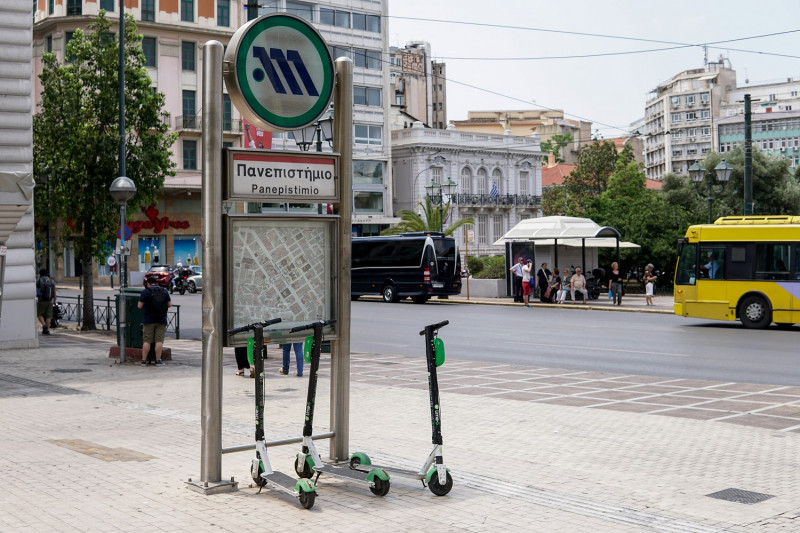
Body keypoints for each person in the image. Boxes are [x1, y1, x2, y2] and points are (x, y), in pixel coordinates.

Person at [138, 275, 171, 366]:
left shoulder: (146, 291)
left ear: (148, 283)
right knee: (159, 341)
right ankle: (158, 361)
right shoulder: (164, 291)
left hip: (149, 320)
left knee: (147, 341)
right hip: (161, 319)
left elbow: (139, 306)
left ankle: (144, 361)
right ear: (156, 283)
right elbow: (170, 304)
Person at [36, 268, 56, 335]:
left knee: (39, 314)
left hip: (41, 300)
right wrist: (54, 300)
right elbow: (54, 291)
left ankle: (44, 325)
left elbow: (37, 290)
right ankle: (47, 330)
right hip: (49, 301)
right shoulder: (51, 281)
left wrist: (37, 296)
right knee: (48, 316)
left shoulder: (40, 280)